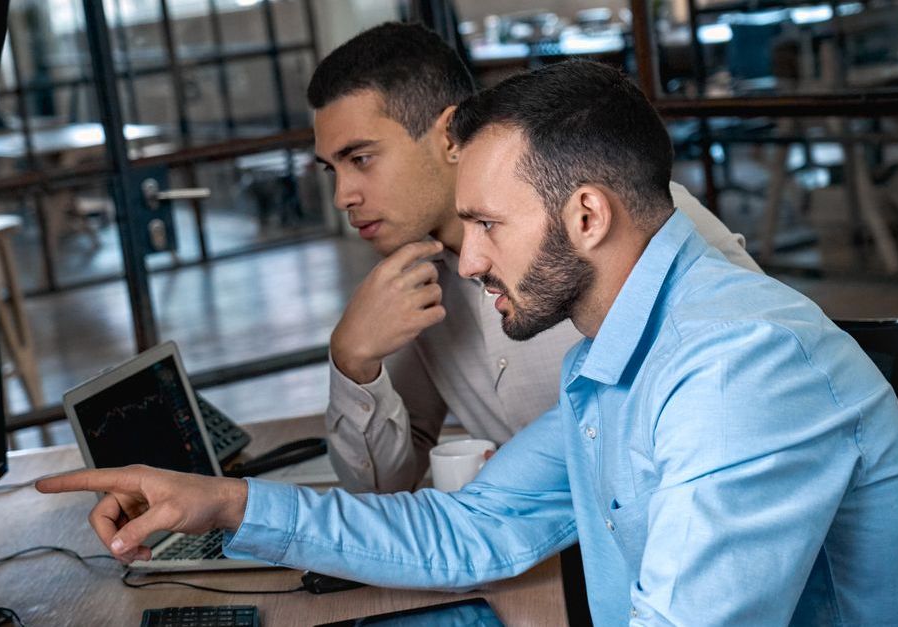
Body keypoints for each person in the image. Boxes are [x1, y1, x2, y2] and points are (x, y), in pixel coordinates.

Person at [38, 61, 898, 625]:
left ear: (588, 214)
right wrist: (228, 505)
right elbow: (469, 525)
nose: (466, 257)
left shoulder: (735, 366)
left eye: (487, 224)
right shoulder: (620, 355)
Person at [308, 23, 761, 492]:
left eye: (360, 159)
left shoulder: (630, 214)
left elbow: (752, 377)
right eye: (331, 170)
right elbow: (382, 485)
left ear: (448, 136)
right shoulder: (416, 279)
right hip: (538, 544)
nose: (342, 196)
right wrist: (352, 360)